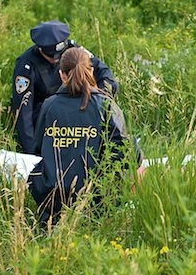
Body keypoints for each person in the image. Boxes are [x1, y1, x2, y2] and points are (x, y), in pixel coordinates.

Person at [27, 47, 142, 226]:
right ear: (92, 71)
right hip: (96, 198)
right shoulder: (105, 104)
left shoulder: (49, 106)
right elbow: (126, 153)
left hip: (54, 197)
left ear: (61, 75)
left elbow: (37, 148)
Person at [12, 20, 118, 154]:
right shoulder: (26, 65)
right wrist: (32, 152)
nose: (57, 60)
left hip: (79, 111)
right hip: (47, 119)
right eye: (53, 57)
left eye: (60, 56)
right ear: (40, 49)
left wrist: (99, 101)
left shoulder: (74, 51)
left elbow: (107, 77)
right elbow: (23, 112)